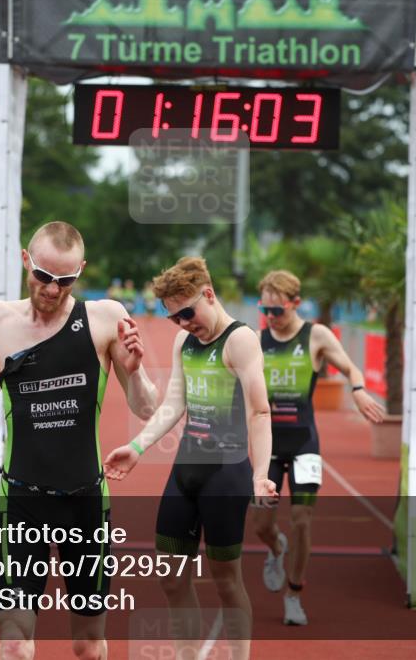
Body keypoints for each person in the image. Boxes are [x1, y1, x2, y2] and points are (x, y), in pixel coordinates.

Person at [0, 221, 158, 660]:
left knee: (88, 645)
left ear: (80, 271)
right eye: (43, 277)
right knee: (14, 638)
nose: (52, 289)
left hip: (86, 500)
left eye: (65, 281)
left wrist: (137, 367)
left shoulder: (106, 318)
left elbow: (146, 408)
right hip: (20, 499)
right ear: (26, 261)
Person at [104, 256, 278, 660]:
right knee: (171, 577)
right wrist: (139, 446)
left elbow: (260, 411)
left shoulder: (241, 340)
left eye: (187, 312)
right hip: (185, 472)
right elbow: (172, 405)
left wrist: (261, 474)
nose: (183, 323)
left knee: (225, 580)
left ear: (209, 295)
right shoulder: (185, 341)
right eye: (174, 318)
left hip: (226, 474)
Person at [250, 270, 385, 626]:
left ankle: (294, 594)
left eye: (277, 310)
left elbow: (352, 368)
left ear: (296, 303)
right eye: (265, 310)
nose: (271, 317)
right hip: (269, 447)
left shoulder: (316, 336)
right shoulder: (256, 340)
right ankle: (276, 548)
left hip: (304, 445)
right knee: (261, 524)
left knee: (302, 522)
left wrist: (358, 391)